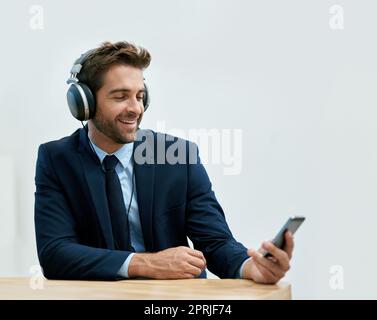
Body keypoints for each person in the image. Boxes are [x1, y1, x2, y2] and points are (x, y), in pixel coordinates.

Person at [34, 41, 294, 283]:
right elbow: (55, 254)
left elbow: (215, 243)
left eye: (139, 96)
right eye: (120, 96)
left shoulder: (179, 156)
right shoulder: (57, 160)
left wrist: (251, 268)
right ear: (84, 103)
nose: (135, 108)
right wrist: (146, 264)